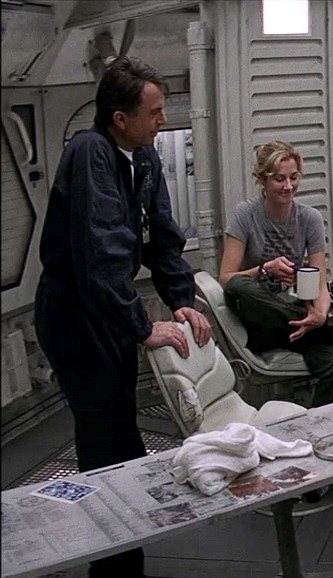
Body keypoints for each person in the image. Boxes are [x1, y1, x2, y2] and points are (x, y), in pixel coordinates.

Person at [34, 56, 212, 578]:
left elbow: (161, 236)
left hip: (105, 310)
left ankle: (125, 560)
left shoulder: (145, 158)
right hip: (73, 315)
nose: (162, 120)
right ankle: (112, 567)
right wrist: (142, 325)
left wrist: (179, 297)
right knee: (103, 439)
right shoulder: (90, 152)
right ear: (120, 118)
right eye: (154, 112)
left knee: (123, 434)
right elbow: (102, 252)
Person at [219, 140, 333, 407]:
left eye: (293, 177)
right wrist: (265, 269)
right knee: (239, 286)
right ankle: (329, 329)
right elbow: (225, 278)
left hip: (300, 321)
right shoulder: (246, 214)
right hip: (261, 319)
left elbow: (320, 281)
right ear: (263, 180)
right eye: (279, 179)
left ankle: (312, 425)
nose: (288, 186)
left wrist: (319, 314)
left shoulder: (309, 218)